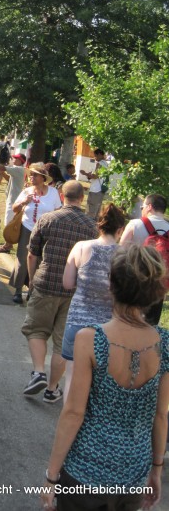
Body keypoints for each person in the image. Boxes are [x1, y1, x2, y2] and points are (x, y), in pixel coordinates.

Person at [42, 244, 169, 511]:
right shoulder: (165, 343)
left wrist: (52, 475)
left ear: (111, 285)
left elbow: (73, 413)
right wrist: (156, 470)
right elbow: (160, 415)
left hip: (84, 473)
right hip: (133, 477)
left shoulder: (90, 339)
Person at [22, 181, 98, 404]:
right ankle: (52, 389)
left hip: (45, 283)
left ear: (62, 196)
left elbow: (32, 254)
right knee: (62, 342)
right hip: (74, 290)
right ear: (82, 198)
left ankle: (38, 372)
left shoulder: (48, 219)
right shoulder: (91, 226)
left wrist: (32, 278)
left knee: (36, 329)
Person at [61, 203, 125, 401]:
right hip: (108, 327)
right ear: (120, 230)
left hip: (77, 322)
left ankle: (68, 421)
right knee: (99, 382)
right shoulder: (125, 255)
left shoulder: (81, 247)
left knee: (71, 375)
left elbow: (67, 283)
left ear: (99, 225)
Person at [9, 162, 62, 303]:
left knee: (40, 261)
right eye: (31, 175)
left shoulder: (53, 193)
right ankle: (18, 290)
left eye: (35, 175)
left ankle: (33, 290)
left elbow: (58, 211)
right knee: (22, 258)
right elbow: (15, 208)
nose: (31, 177)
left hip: (45, 231)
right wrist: (24, 202)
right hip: (27, 228)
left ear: (43, 178)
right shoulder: (27, 191)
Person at [120, 193, 169, 326]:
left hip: (135, 282)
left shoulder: (135, 224)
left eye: (142, 206)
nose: (141, 209)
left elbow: (120, 252)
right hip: (159, 285)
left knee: (129, 323)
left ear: (149, 207)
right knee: (150, 326)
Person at [0, 153, 26, 253]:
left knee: (9, 223)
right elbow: (9, 179)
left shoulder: (18, 169)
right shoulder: (17, 170)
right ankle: (8, 244)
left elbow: (2, 167)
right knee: (9, 221)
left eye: (15, 158)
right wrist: (2, 172)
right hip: (13, 199)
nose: (13, 159)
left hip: (14, 200)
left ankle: (8, 245)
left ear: (20, 160)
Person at [80, 148, 108, 219]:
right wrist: (88, 175)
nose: (94, 158)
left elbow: (95, 176)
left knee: (91, 210)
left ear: (99, 155)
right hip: (100, 189)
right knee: (97, 210)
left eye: (95, 156)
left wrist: (85, 173)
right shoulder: (105, 164)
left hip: (96, 189)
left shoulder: (100, 164)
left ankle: (89, 225)